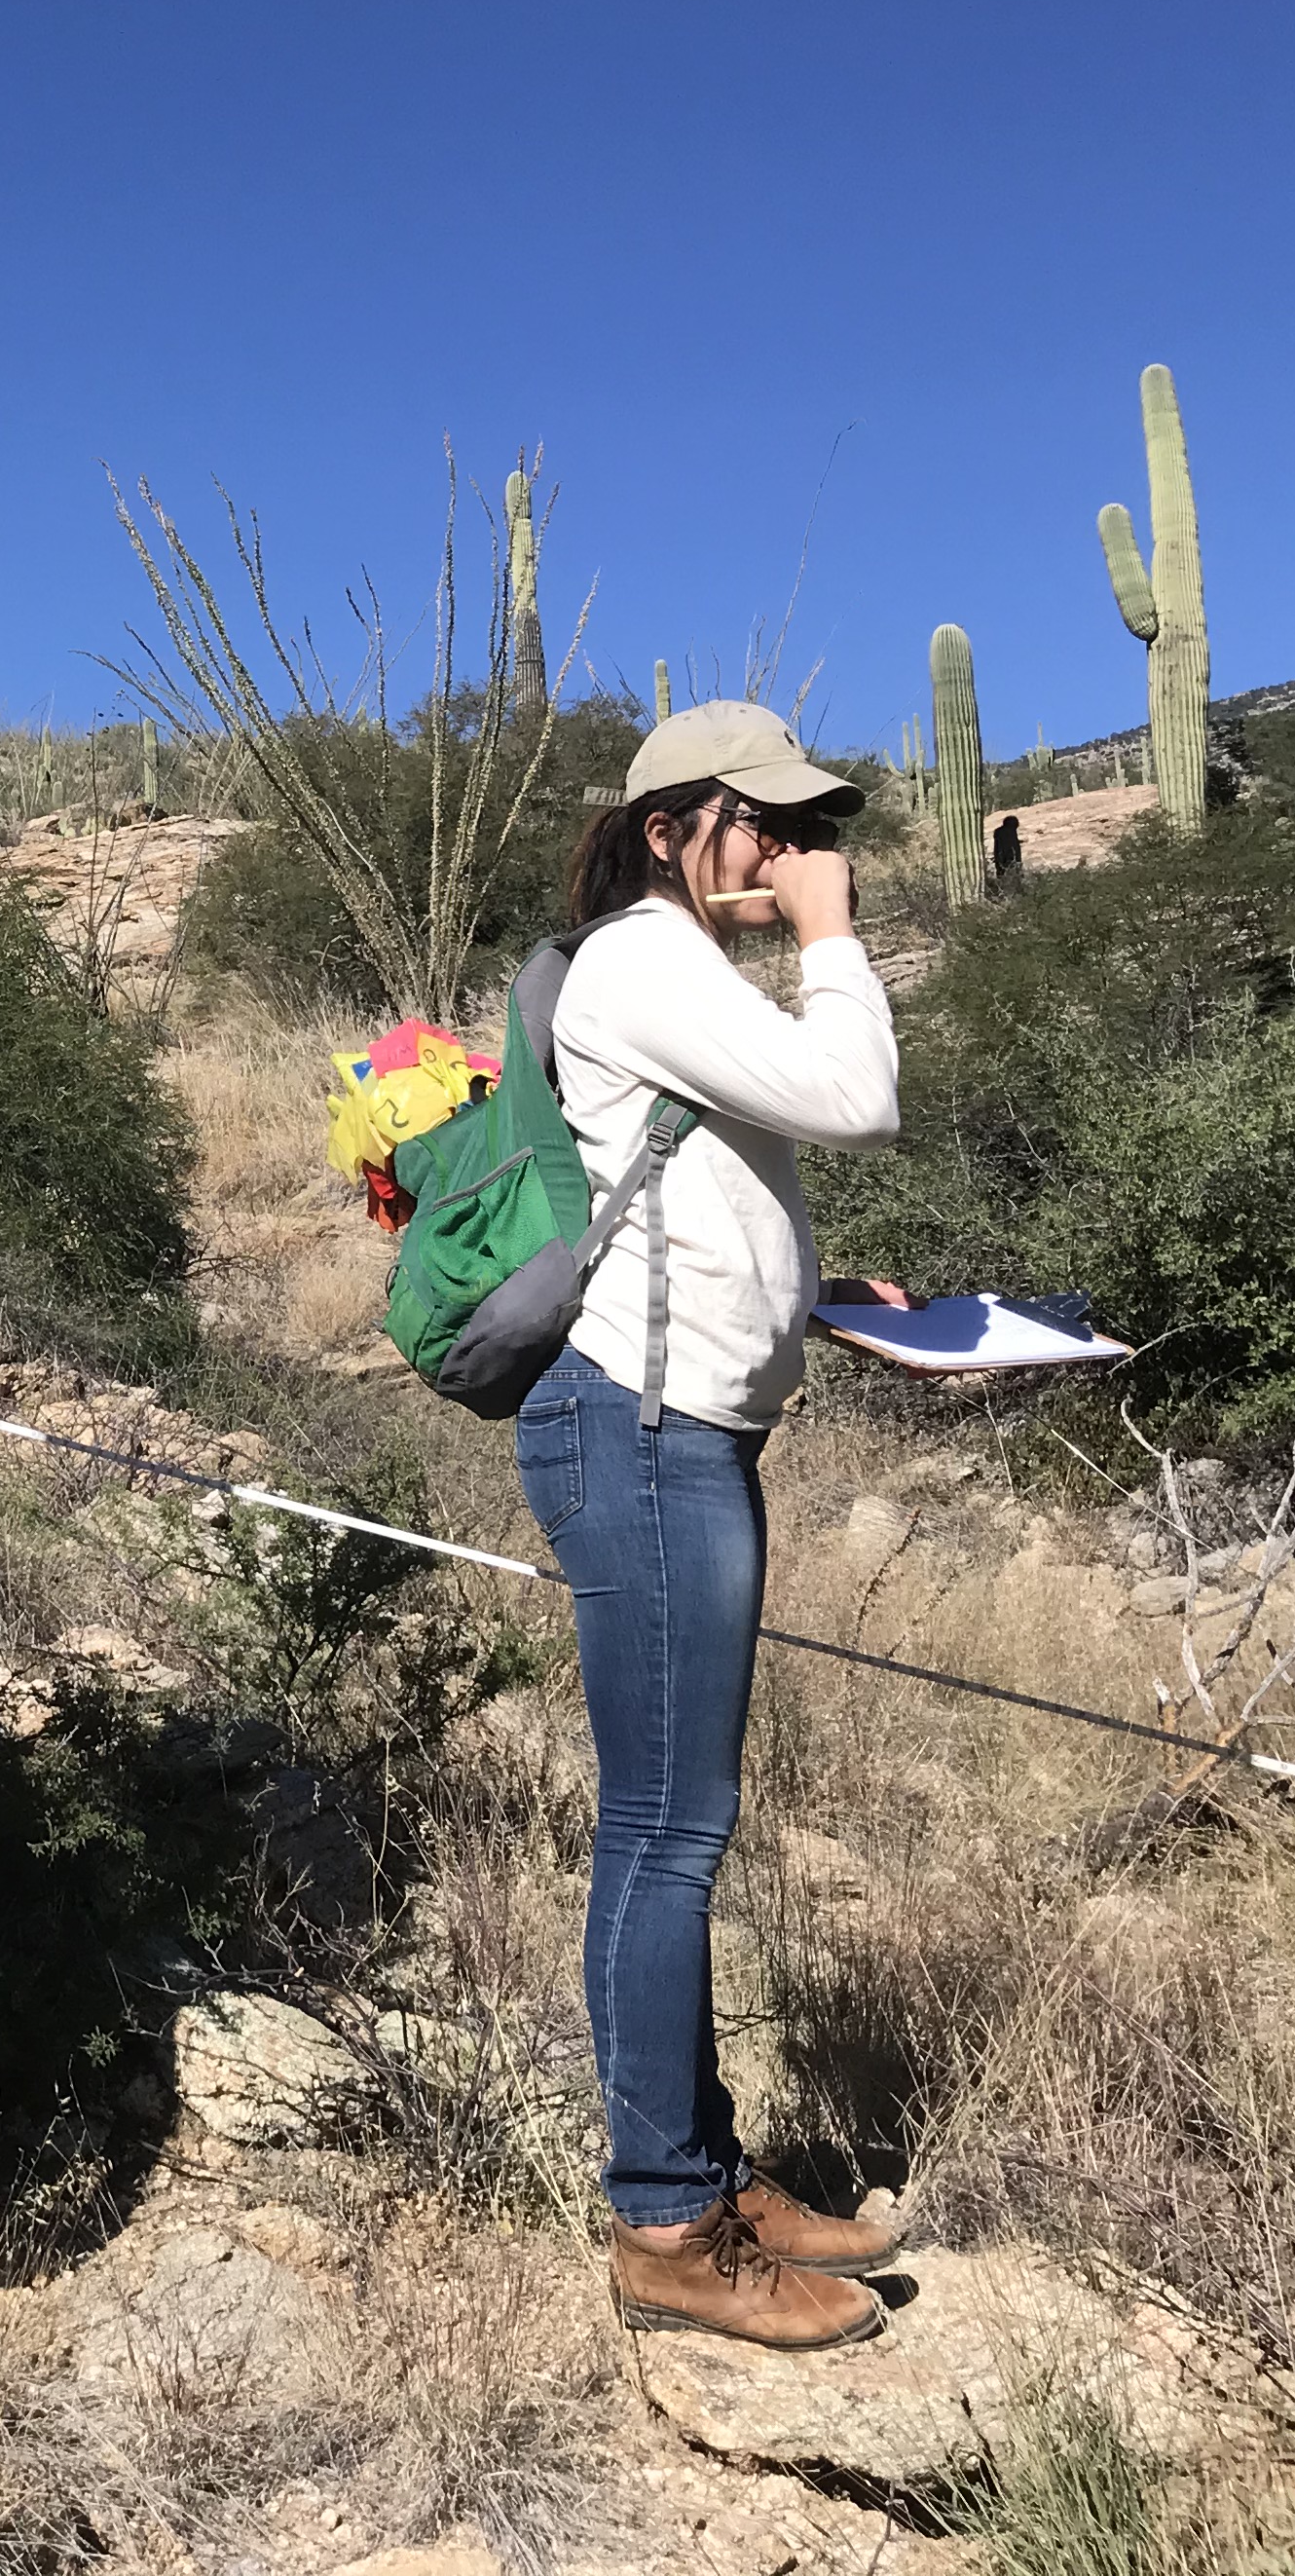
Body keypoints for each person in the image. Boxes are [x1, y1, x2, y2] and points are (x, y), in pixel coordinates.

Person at [518, 698, 906, 2351]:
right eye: (765, 820)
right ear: (676, 819)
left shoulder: (670, 965)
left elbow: (692, 1196)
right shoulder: (642, 958)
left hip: (681, 1422)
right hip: (645, 1430)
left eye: (806, 830)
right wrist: (831, 937)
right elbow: (858, 1092)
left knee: (674, 1818)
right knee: (666, 1829)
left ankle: (699, 2165)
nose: (791, 850)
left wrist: (819, 1296)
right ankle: (665, 2219)